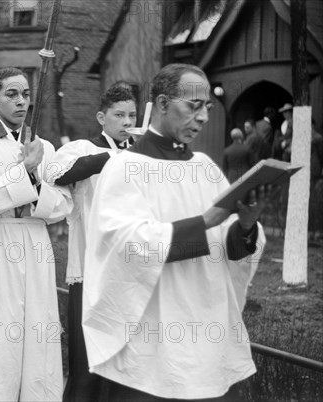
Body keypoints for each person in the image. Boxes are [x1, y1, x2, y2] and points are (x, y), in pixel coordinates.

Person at [83, 63, 271, 400]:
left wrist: (245, 225)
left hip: (206, 331)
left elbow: (231, 246)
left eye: (207, 108)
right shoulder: (124, 168)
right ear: (163, 104)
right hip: (151, 338)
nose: (202, 118)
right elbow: (127, 245)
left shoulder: (205, 168)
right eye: (193, 106)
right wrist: (205, 222)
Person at [0, 67, 72, 401]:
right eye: (11, 94)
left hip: (36, 246)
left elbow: (63, 205)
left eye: (25, 94)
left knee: (38, 333)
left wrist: (35, 182)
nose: (21, 101)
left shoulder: (44, 147)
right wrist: (24, 171)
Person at [47, 84, 137, 401]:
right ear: (102, 117)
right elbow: (55, 174)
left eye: (132, 115)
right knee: (88, 358)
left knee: (126, 359)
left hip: (131, 271)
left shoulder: (143, 153)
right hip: (91, 267)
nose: (127, 121)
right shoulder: (83, 149)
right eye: (119, 115)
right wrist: (112, 157)